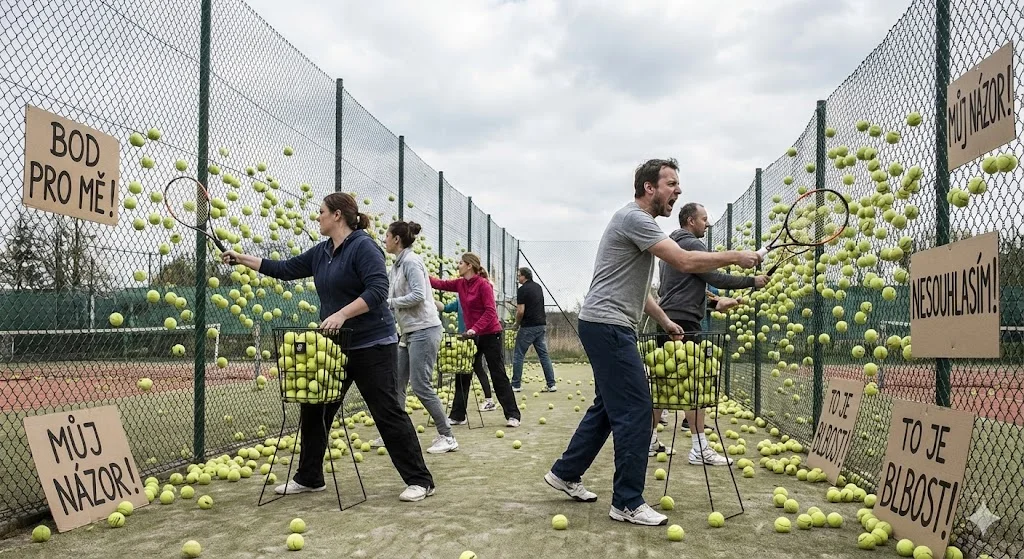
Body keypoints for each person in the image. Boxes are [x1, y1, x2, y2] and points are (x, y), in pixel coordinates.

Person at [543, 158, 761, 527]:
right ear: (649, 188)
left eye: (678, 185)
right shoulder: (635, 219)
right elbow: (685, 260)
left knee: (608, 407)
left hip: (608, 324)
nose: (677, 191)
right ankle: (627, 501)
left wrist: (665, 320)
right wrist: (738, 257)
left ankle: (565, 472)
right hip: (608, 326)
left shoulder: (637, 227)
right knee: (636, 409)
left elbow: (641, 292)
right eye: (671, 184)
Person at [221, 192, 436, 502]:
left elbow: (377, 290)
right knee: (314, 410)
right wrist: (241, 258)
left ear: (337, 215)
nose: (317, 216)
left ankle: (420, 480)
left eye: (321, 211)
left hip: (373, 344)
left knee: (387, 412)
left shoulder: (364, 247)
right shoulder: (322, 252)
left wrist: (342, 313)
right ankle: (309, 477)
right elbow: (284, 269)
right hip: (335, 348)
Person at [656, 202, 768, 467]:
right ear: (691, 221)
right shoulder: (693, 245)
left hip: (667, 319)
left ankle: (649, 442)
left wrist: (715, 303)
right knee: (696, 384)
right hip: (683, 323)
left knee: (661, 384)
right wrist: (752, 281)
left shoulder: (670, 248)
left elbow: (682, 287)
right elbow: (715, 278)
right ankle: (699, 449)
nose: (708, 224)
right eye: (704, 219)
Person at [376, 220, 458, 454]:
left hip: (425, 329)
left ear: (397, 239)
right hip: (408, 332)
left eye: (387, 236)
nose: (385, 240)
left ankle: (448, 436)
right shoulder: (396, 266)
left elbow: (419, 296)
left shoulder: (411, 262)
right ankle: (395, 436)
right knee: (397, 383)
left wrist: (388, 303)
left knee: (421, 386)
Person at [430, 253, 522, 428]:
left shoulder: (484, 285)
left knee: (498, 374)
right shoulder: (460, 284)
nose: (458, 266)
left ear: (469, 266)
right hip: (472, 336)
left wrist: (475, 329)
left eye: (461, 263)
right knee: (463, 373)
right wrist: (420, 274)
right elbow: (439, 284)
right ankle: (458, 415)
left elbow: (490, 312)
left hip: (490, 334)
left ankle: (513, 415)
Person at [435, 295, 496, 409]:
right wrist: (430, 300)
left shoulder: (479, 298)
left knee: (475, 367)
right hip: (463, 338)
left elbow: (488, 313)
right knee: (466, 369)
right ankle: (460, 402)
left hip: (475, 337)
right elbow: (445, 308)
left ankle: (487, 400)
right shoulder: (460, 299)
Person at [511, 267, 557, 392]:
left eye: (518, 275)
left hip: (528, 327)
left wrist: (516, 324)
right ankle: (551, 384)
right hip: (541, 325)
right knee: (543, 355)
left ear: (524, 276)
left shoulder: (522, 290)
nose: (517, 278)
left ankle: (515, 385)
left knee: (518, 355)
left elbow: (520, 311)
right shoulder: (538, 287)